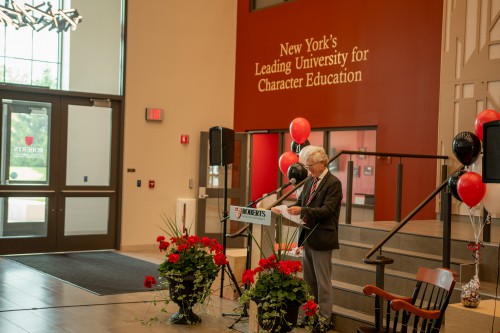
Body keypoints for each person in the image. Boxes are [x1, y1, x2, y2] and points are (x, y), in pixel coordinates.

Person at [274, 145, 342, 333]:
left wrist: (302, 210)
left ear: (322, 162)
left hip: (323, 238)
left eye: (311, 166)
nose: (309, 169)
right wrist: (283, 209)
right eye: (307, 166)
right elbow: (301, 203)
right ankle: (309, 316)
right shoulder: (309, 182)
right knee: (309, 282)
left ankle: (324, 320)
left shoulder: (333, 183)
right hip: (308, 236)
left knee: (323, 283)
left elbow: (327, 211)